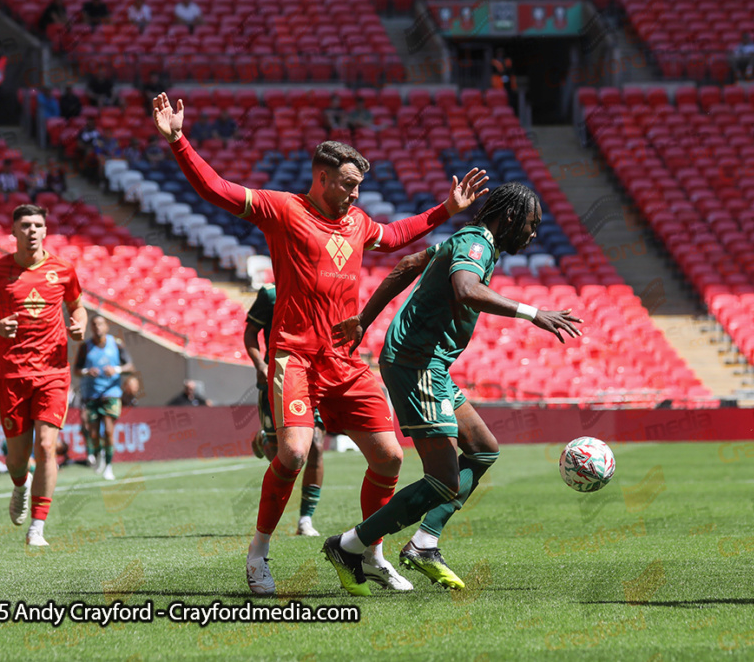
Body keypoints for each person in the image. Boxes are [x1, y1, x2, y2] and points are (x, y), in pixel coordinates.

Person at [153, 92, 488, 596]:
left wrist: (446, 209)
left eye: (359, 186)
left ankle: (369, 554)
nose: (355, 195)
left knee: (390, 459)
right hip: (294, 356)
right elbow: (218, 189)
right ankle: (258, 554)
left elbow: (395, 236)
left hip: (345, 360)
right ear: (323, 177)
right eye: (349, 185)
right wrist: (178, 141)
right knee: (291, 452)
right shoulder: (282, 209)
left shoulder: (355, 222)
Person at [322, 183, 583, 594]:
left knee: (482, 448)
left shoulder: (469, 240)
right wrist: (532, 312)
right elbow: (465, 288)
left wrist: (365, 321)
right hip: (418, 361)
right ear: (510, 218)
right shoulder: (477, 244)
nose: (534, 234)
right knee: (443, 479)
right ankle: (348, 545)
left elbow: (408, 264)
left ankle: (425, 544)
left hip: (430, 363)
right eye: (531, 225)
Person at [0, 204, 87, 547]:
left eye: (38, 225)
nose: (32, 230)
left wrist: (79, 327)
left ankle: (38, 527)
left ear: (45, 231)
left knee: (47, 446)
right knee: (18, 457)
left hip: (53, 371)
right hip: (13, 372)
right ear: (14, 231)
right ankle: (20, 485)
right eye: (25, 225)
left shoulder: (63, 270)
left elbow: (78, 306)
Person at [245, 283, 326, 537]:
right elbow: (250, 333)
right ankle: (263, 439)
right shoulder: (270, 293)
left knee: (316, 445)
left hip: (311, 378)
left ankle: (305, 520)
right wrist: (259, 363)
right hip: (277, 378)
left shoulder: (321, 288)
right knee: (285, 456)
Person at [74, 315, 133, 480]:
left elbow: (130, 366)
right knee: (93, 432)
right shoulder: (85, 347)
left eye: (100, 324)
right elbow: (76, 370)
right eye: (94, 325)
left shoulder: (117, 344)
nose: (97, 327)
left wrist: (117, 370)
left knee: (108, 430)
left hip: (111, 393)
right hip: (91, 394)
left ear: (106, 326)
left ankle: (108, 466)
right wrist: (87, 372)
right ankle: (98, 452)